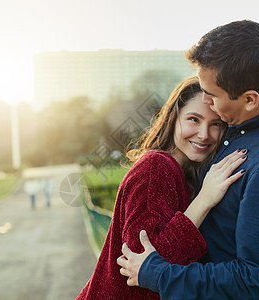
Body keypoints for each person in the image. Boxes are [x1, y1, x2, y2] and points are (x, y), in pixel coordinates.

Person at [117, 20, 259, 300]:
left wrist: (158, 273)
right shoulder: (234, 127)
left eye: (212, 95)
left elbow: (252, 279)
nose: (206, 101)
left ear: (250, 99)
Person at [77, 76, 247, 299]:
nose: (204, 135)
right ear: (173, 119)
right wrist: (204, 200)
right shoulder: (155, 167)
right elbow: (142, 266)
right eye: (193, 119)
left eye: (216, 124)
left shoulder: (184, 175)